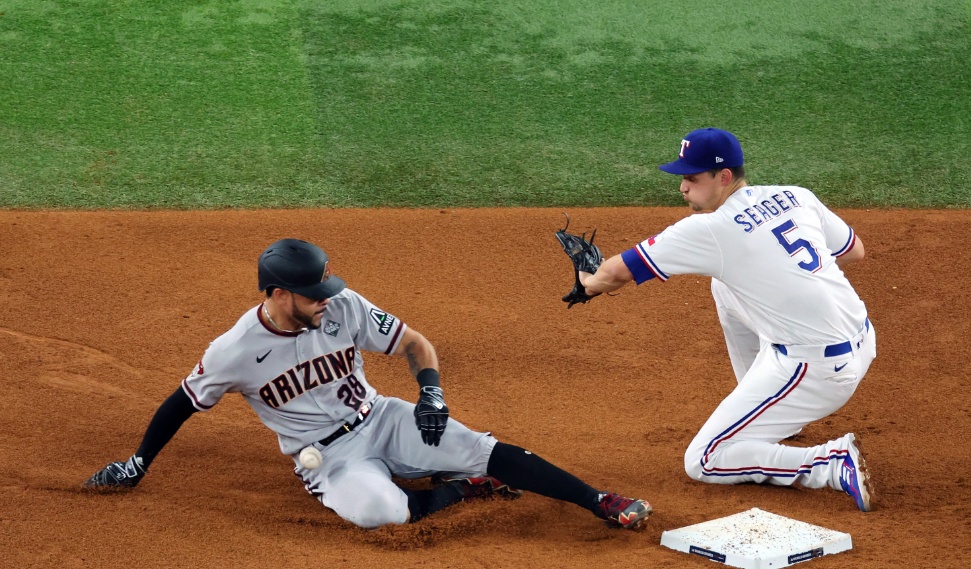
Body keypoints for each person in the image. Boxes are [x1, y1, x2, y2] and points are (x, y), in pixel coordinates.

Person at [86, 238, 652, 530]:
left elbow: (415, 343)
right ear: (278, 294)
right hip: (329, 460)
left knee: (482, 447)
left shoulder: (341, 306)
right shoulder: (233, 352)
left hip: (382, 417)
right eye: (312, 293)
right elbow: (183, 402)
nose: (326, 299)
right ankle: (456, 490)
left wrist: (431, 392)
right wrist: (138, 463)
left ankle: (597, 500)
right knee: (381, 514)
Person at [574, 128, 877, 511]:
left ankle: (828, 463)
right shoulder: (795, 195)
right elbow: (854, 251)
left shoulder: (711, 229)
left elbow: (615, 273)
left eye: (691, 178)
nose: (683, 188)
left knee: (703, 459)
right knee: (726, 288)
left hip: (817, 371)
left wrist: (587, 284)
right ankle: (773, 414)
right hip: (863, 339)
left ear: (724, 177)